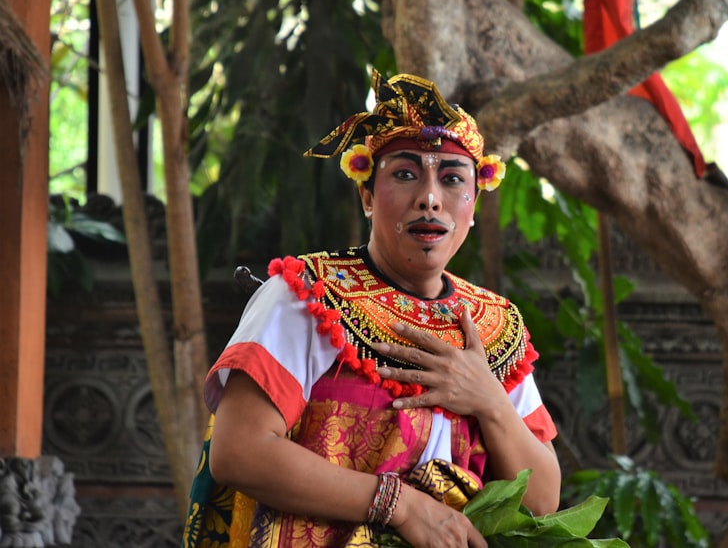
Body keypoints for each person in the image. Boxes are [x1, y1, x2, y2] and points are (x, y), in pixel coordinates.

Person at [182, 71, 561, 548]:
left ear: (474, 203)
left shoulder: (494, 326)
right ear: (366, 195)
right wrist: (400, 505)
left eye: (452, 179)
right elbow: (238, 452)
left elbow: (544, 500)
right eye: (405, 174)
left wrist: (487, 397)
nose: (429, 198)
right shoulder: (305, 297)